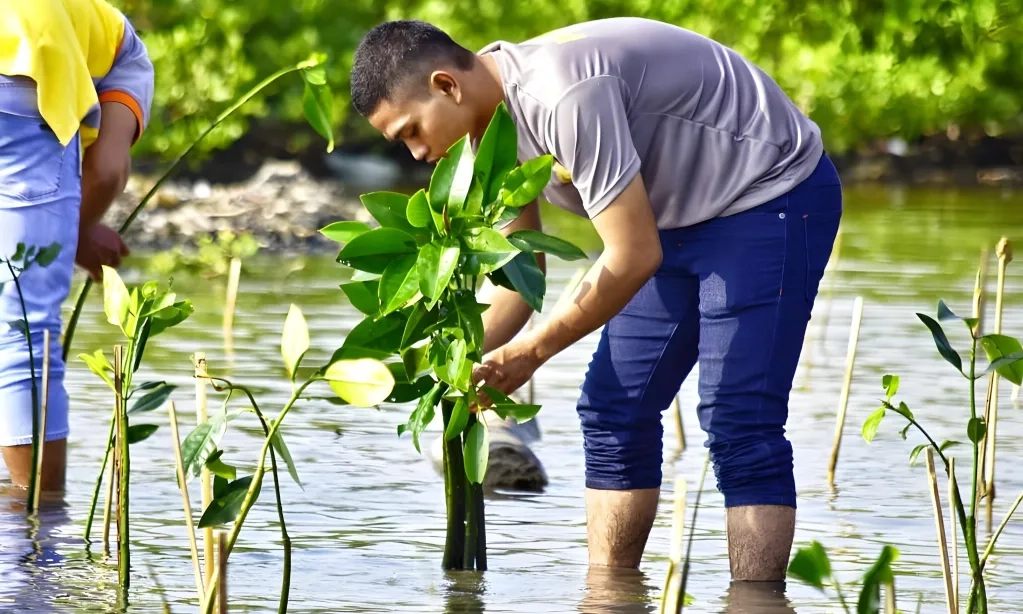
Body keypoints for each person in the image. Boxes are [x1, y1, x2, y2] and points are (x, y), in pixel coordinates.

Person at [349, 17, 842, 582]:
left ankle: (755, 602)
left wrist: (532, 353)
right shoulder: (483, 128)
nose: (416, 154)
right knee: (612, 411)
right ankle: (610, 595)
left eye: (411, 131)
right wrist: (454, 364)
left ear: (446, 85)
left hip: (768, 192)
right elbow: (522, 274)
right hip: (670, 217)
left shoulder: (563, 96)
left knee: (739, 420)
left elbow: (632, 255)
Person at [0, 0, 154, 491]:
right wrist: (75, 233)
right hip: (22, 77)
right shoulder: (122, 50)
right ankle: (35, 522)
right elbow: (107, 169)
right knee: (23, 328)